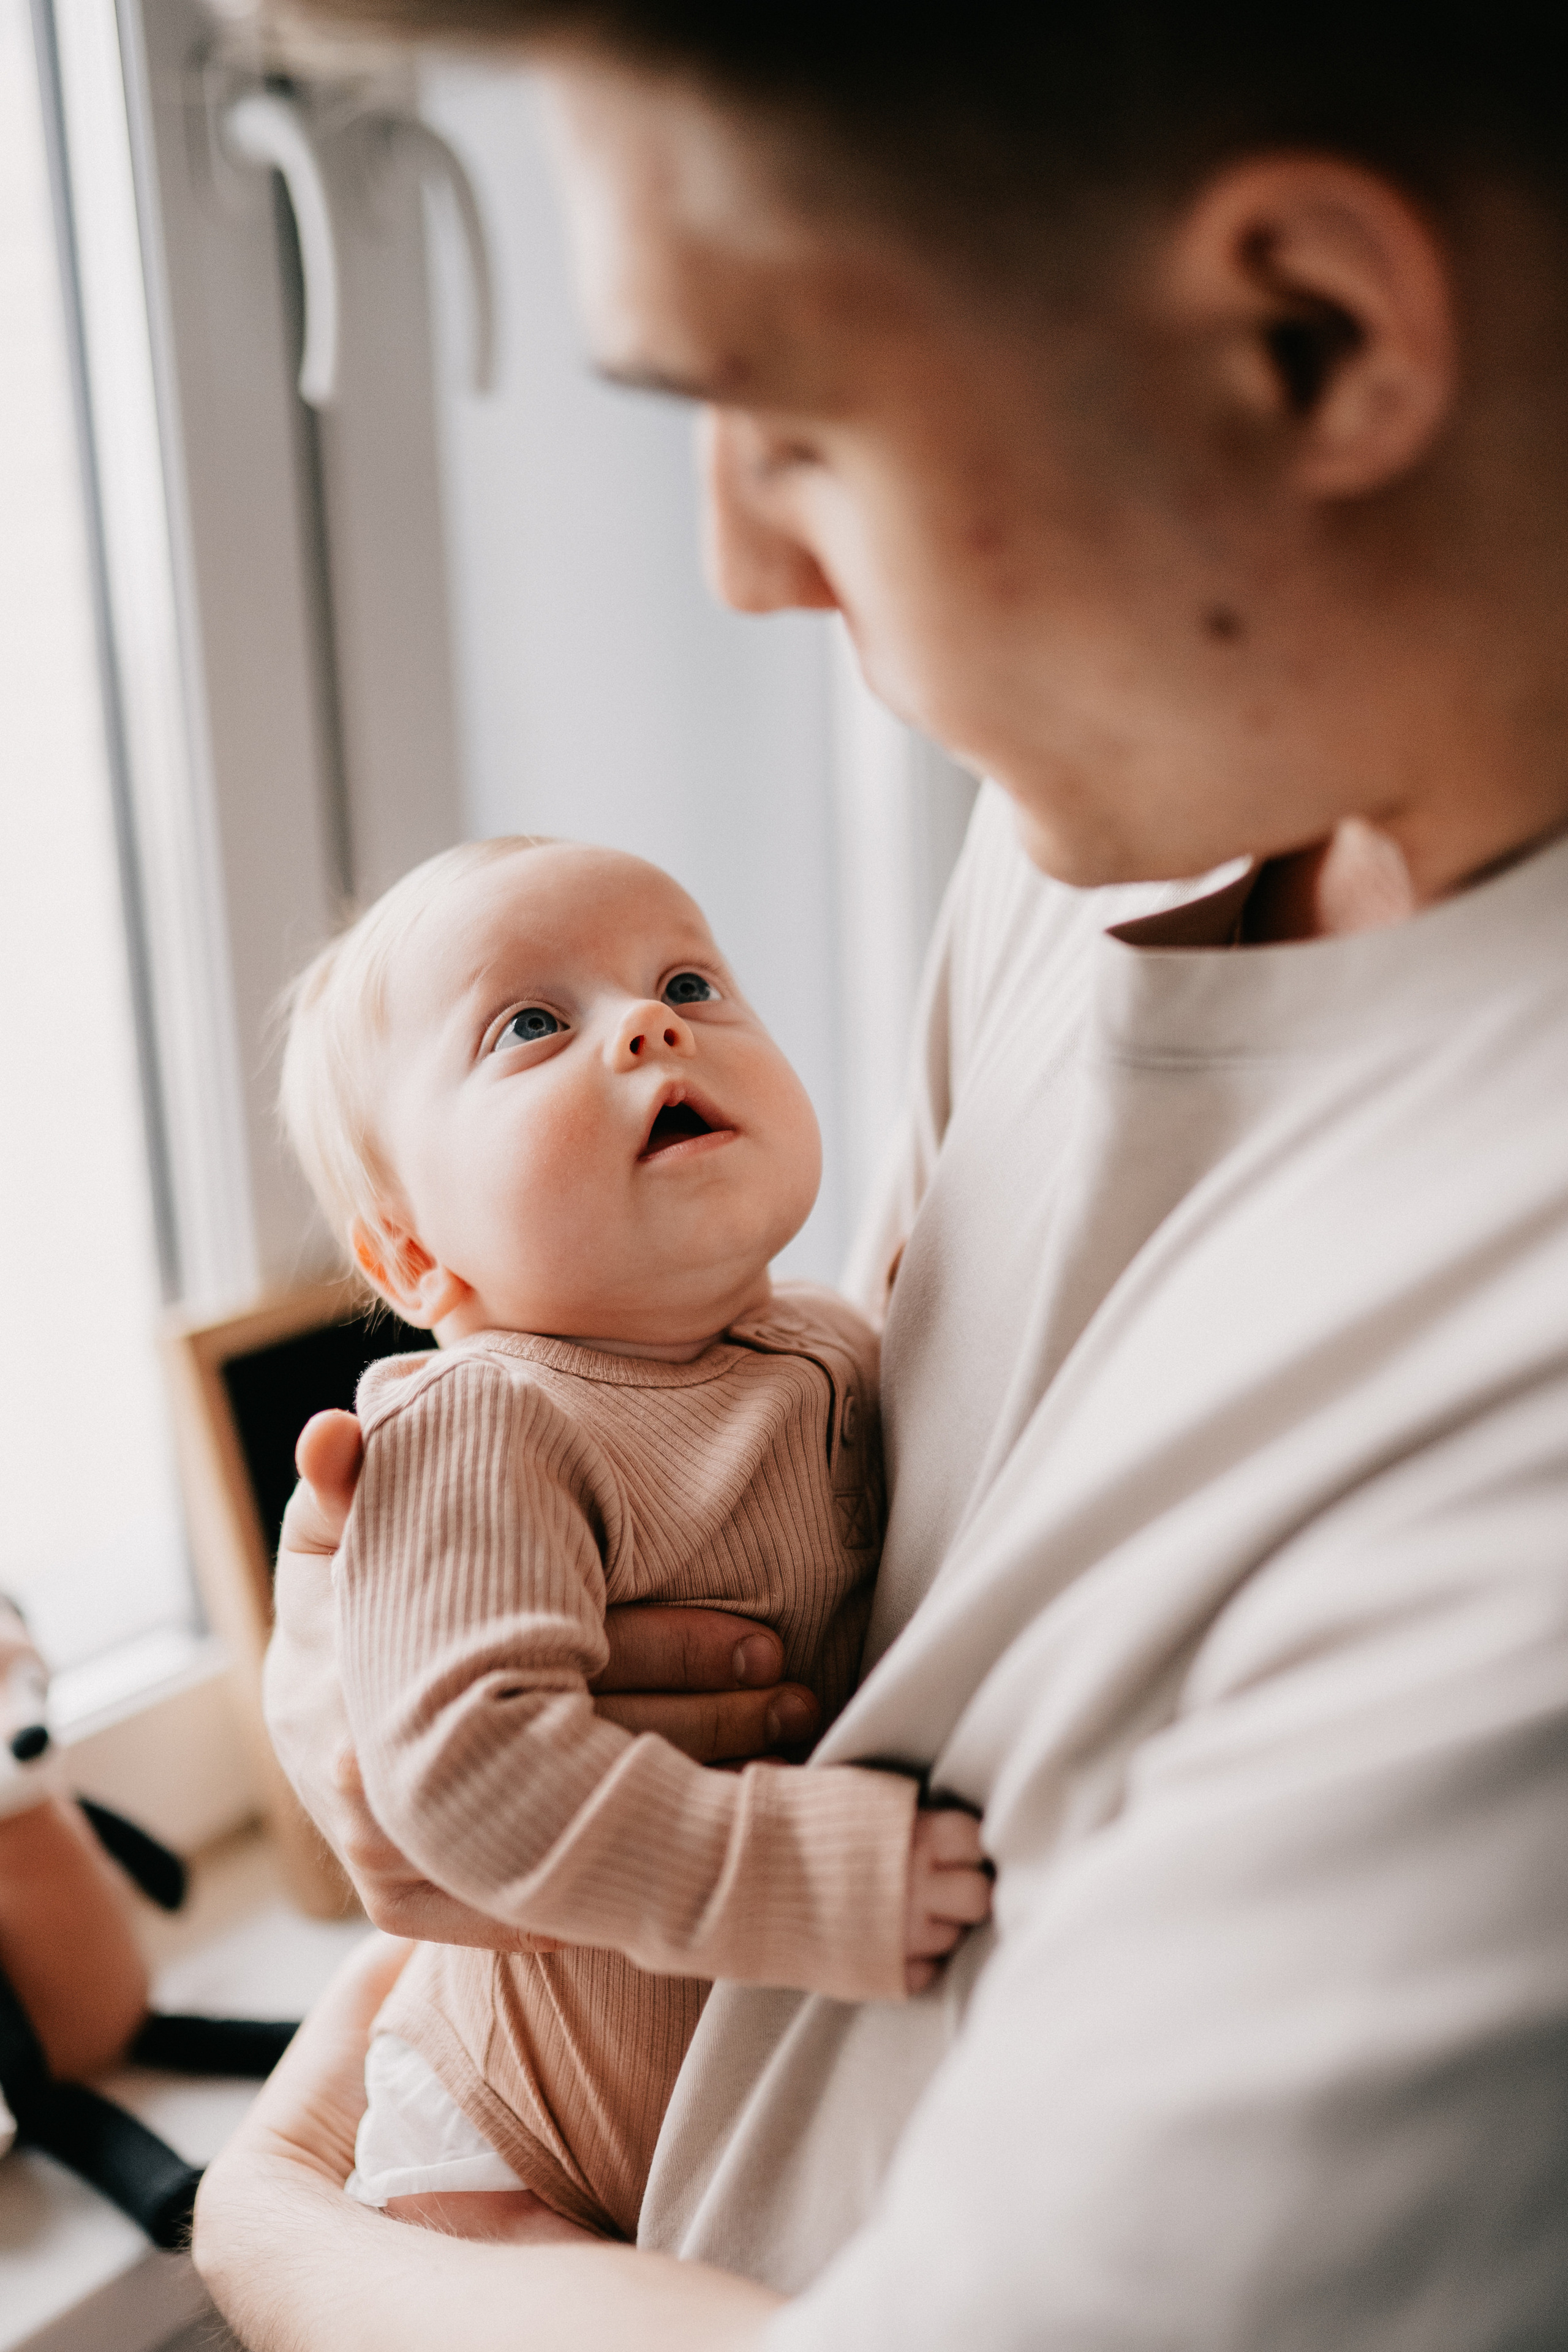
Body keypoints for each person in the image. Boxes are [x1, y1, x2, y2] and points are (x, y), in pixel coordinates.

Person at [194, 6, 1568, 2346]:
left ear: (1311, 343)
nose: (737, 563)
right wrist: (412, 1725)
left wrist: (282, 2229)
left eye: (792, 417)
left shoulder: (1510, 1429)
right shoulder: (1103, 843)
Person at [273, 834, 989, 2241]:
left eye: (688, 982)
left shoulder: (838, 1342)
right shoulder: (483, 1423)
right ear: (411, 1253)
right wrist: (800, 1875)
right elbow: (466, 1769)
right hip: (511, 2146)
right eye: (529, 1025)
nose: (652, 1026)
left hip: (753, 2122)